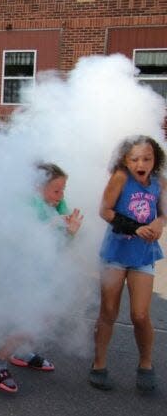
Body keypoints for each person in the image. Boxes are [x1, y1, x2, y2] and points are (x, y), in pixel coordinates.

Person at [0, 162, 83, 393]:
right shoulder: (26, 206)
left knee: (39, 318)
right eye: (57, 190)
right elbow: (17, 240)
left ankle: (21, 352)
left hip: (41, 276)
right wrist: (49, 226)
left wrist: (70, 232)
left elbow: (58, 247)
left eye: (63, 190)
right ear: (38, 187)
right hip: (18, 275)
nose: (61, 195)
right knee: (32, 319)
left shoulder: (56, 209)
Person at [89, 135, 165, 393]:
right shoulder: (120, 178)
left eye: (146, 158)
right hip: (115, 253)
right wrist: (136, 227)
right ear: (125, 160)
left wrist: (158, 223)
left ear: (155, 160)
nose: (141, 163)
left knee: (140, 314)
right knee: (108, 312)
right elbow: (105, 210)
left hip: (143, 255)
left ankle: (145, 365)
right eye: (134, 159)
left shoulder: (159, 182)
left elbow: (164, 212)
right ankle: (98, 365)